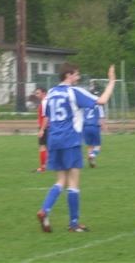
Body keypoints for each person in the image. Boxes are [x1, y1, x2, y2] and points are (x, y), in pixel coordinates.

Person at [37, 63, 116, 233]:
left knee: (60, 180)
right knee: (73, 182)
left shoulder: (51, 93)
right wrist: (111, 82)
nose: (78, 77)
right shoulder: (74, 91)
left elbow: (48, 117)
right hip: (70, 140)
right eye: (77, 74)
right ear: (68, 75)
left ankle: (45, 210)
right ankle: (74, 223)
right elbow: (101, 101)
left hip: (54, 140)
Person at [83, 98, 106, 168]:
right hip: (94, 126)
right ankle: (92, 155)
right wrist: (103, 126)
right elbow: (101, 118)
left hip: (85, 127)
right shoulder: (99, 105)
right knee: (98, 145)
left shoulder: (84, 105)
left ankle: (92, 162)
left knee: (90, 146)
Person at [34, 87, 49, 173]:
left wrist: (42, 129)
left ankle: (43, 168)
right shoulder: (47, 101)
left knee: (42, 147)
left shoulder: (44, 102)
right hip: (48, 127)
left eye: (38, 93)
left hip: (45, 127)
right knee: (48, 147)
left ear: (43, 93)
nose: (36, 95)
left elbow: (45, 117)